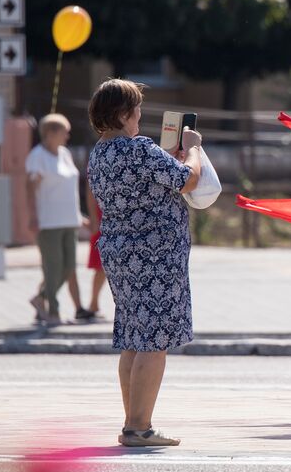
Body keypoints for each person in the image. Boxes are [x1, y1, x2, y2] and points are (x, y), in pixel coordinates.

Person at [86, 79, 202, 448]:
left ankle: (133, 422)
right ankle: (140, 427)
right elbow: (188, 180)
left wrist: (170, 158)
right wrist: (193, 150)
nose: (140, 115)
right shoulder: (139, 149)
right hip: (154, 255)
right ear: (122, 114)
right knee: (153, 341)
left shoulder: (99, 154)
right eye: (135, 109)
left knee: (133, 339)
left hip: (119, 252)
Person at [26, 114, 90, 326]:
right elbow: (31, 187)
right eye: (64, 131)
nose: (68, 135)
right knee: (52, 267)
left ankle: (40, 298)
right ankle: (53, 311)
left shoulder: (64, 154)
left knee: (68, 266)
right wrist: (33, 217)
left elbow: (68, 188)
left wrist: (79, 216)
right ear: (50, 133)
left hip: (69, 220)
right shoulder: (38, 156)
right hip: (49, 222)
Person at [84, 178, 106, 319]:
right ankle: (93, 303)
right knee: (101, 264)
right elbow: (90, 191)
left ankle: (94, 304)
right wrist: (93, 219)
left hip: (115, 214)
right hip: (102, 217)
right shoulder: (98, 158)